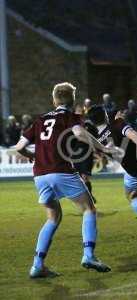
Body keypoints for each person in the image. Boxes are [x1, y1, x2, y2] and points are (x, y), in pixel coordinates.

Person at [14, 82, 112, 278]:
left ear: (54, 100)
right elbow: (80, 134)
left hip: (40, 175)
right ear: (73, 100)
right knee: (89, 209)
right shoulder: (71, 117)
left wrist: (31, 155)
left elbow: (19, 146)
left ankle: (37, 265)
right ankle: (88, 255)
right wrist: (102, 147)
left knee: (53, 217)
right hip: (60, 170)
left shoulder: (40, 120)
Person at [87, 105, 137, 237]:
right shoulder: (117, 124)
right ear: (105, 115)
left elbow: (105, 157)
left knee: (131, 196)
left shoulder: (98, 142)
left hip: (136, 170)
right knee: (131, 193)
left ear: (93, 123)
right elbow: (132, 134)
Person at [73, 104, 99, 203]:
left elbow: (96, 138)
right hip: (74, 154)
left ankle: (89, 197)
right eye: (78, 113)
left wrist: (97, 149)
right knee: (77, 178)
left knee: (85, 176)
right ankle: (85, 197)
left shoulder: (89, 125)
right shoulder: (71, 125)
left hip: (87, 154)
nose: (80, 114)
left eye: (81, 112)